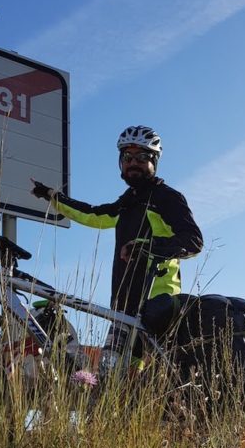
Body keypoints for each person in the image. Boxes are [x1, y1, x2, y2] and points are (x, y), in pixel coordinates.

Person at [30, 126, 203, 323]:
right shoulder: (126, 204)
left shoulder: (166, 197)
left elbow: (193, 241)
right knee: (114, 355)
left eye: (142, 157)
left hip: (157, 304)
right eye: (127, 157)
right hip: (124, 304)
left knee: (146, 355)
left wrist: (147, 247)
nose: (133, 163)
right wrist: (53, 196)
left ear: (154, 161)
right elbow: (92, 214)